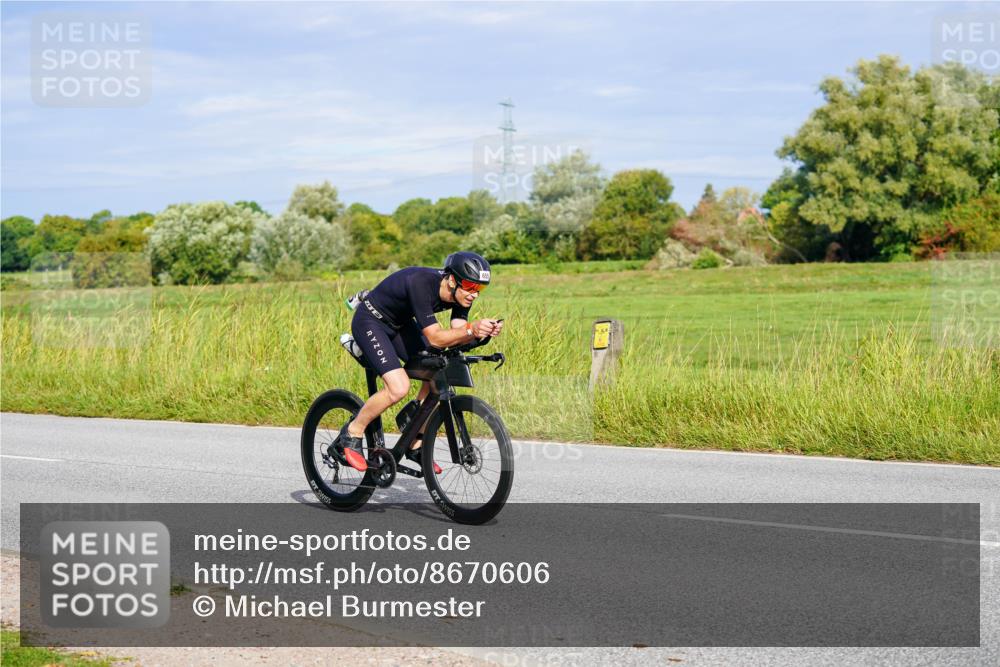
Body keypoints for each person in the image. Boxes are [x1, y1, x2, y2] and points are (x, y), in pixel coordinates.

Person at [337, 251, 503, 472]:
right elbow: (435, 337)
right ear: (452, 280)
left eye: (479, 289)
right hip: (371, 321)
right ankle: (352, 432)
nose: (474, 294)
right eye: (471, 287)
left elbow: (455, 334)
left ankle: (415, 439)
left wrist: (480, 334)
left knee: (436, 367)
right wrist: (471, 329)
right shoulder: (421, 283)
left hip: (400, 325)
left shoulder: (462, 294)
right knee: (398, 387)